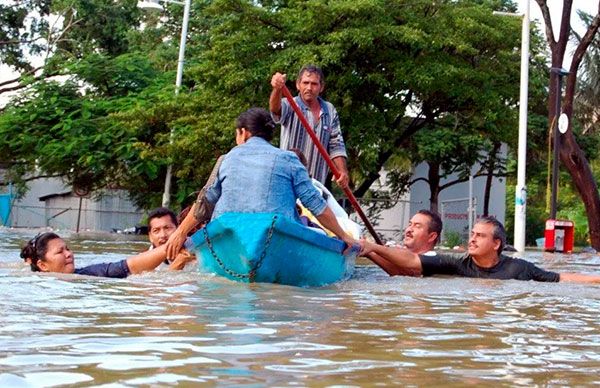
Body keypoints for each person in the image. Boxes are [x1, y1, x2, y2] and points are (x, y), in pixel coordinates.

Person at [166, 107, 358, 260]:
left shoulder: (226, 158)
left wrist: (180, 233)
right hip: (278, 237)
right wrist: (344, 236)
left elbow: (204, 203)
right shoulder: (289, 159)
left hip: (229, 237)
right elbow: (316, 205)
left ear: (243, 133)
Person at [361, 216, 600, 283]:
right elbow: (411, 261)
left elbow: (561, 278)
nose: (472, 240)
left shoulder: (519, 268)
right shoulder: (457, 264)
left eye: (480, 236)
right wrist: (372, 248)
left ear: (496, 244)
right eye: (472, 234)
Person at [270, 64, 349, 188]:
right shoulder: (290, 104)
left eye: (314, 84)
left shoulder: (330, 110)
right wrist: (277, 89)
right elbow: (275, 110)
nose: (309, 88)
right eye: (305, 83)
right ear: (298, 85)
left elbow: (336, 145)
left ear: (321, 87)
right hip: (288, 183)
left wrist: (343, 171)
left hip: (315, 185)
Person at [20, 232, 189, 278]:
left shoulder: (90, 273)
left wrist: (173, 245)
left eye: (68, 248)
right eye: (60, 251)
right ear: (42, 265)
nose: (69, 254)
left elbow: (127, 266)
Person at [368, 210, 441, 276]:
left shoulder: (435, 260)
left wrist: (371, 248)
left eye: (417, 226)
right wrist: (368, 249)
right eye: (409, 224)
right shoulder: (402, 255)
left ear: (431, 236)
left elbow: (405, 271)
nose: (409, 229)